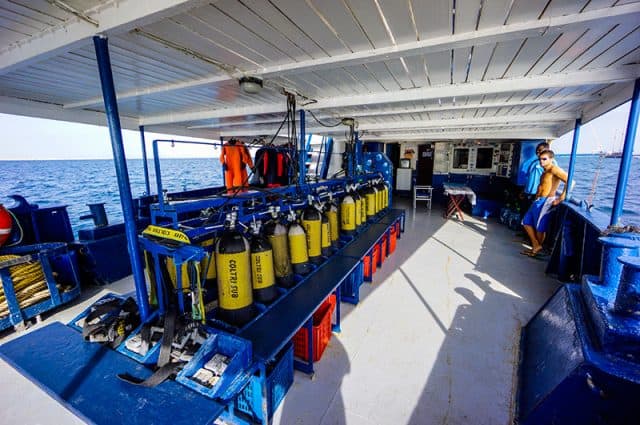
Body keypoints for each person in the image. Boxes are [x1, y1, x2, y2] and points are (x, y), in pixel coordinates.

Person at [521, 149, 567, 257]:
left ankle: (536, 248)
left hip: (546, 201)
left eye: (544, 159)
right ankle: (536, 245)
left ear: (551, 159)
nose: (541, 161)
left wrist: (561, 198)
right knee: (526, 222)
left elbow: (570, 181)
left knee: (539, 227)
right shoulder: (544, 171)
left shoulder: (553, 169)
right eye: (540, 159)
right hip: (537, 201)